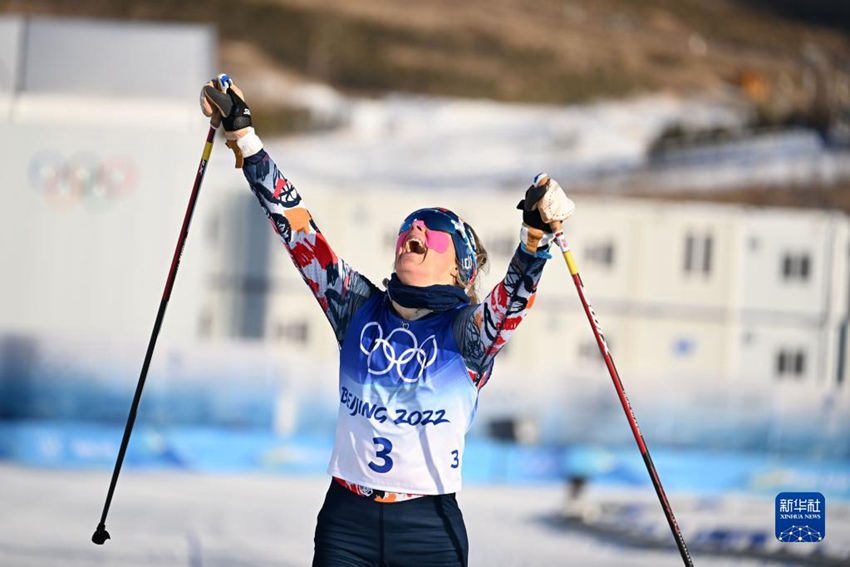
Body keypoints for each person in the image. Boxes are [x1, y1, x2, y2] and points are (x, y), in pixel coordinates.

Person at [201, 78, 575, 567]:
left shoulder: (465, 334)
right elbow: (297, 230)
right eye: (409, 227)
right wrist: (245, 140)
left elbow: (510, 304)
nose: (414, 231)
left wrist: (534, 241)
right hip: (346, 521)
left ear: (459, 269)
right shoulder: (357, 306)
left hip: (427, 528)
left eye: (433, 232)